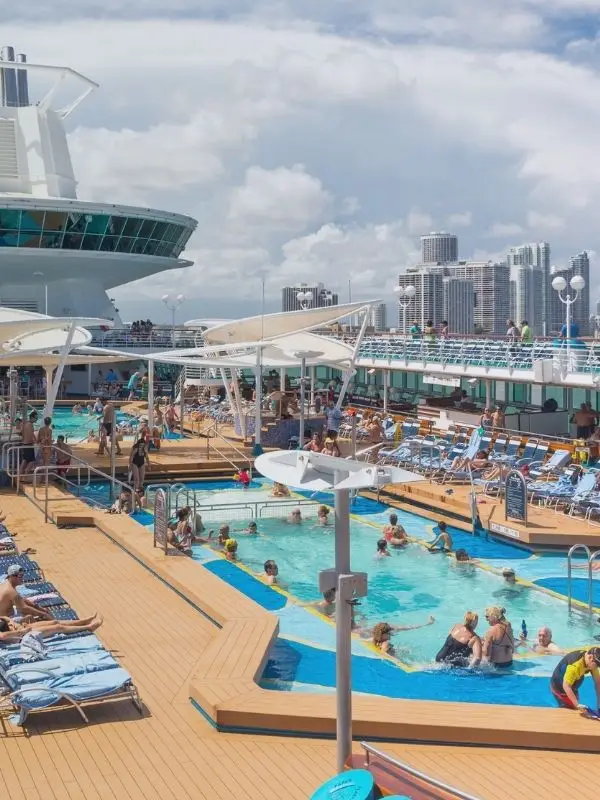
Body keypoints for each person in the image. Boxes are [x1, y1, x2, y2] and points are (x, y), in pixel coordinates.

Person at [0, 613, 103, 642]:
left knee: (54, 622)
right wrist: (20, 631)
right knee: (58, 627)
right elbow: (3, 636)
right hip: (23, 637)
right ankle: (88, 627)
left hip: (21, 628)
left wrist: (13, 622)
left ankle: (82, 621)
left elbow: (4, 617)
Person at [364, 617, 435, 655]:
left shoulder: (374, 639)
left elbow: (366, 641)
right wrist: (397, 661)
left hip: (392, 650)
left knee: (404, 649)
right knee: (408, 649)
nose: (390, 635)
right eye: (388, 633)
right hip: (392, 652)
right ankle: (428, 623)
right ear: (383, 634)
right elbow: (383, 653)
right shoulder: (386, 643)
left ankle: (428, 623)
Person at [19, 410, 38, 475]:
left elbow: (21, 433)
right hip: (28, 445)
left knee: (25, 460)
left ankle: (19, 476)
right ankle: (26, 475)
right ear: (32, 418)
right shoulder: (30, 425)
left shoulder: (25, 424)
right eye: (36, 418)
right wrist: (35, 442)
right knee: (32, 461)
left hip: (24, 444)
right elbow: (30, 435)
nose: (37, 419)